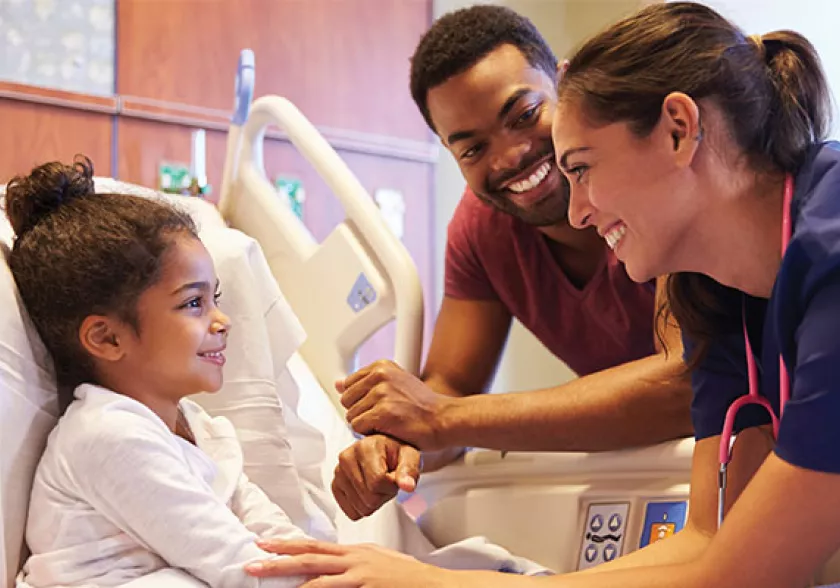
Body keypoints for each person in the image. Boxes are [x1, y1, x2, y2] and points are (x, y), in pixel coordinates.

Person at [246, 2, 840, 586]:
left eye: (579, 165)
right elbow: (710, 546)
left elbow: (737, 571)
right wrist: (407, 448)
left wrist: (437, 581)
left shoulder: (817, 258)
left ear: (678, 130)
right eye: (471, 148)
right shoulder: (721, 296)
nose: (578, 212)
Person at [329, 4, 694, 523]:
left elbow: (684, 383)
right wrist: (398, 444)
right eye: (472, 148)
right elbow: (451, 382)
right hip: (656, 474)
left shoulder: (656, 177)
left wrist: (441, 418)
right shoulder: (482, 232)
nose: (508, 157)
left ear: (566, 83)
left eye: (524, 115)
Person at [9, 158, 310, 588]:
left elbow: (280, 544)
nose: (222, 321)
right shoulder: (106, 436)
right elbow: (247, 570)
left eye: (215, 298)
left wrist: (345, 568)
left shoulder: (198, 428)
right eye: (193, 303)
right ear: (107, 339)